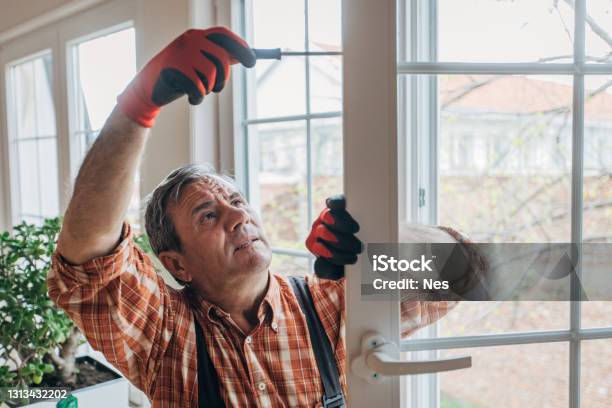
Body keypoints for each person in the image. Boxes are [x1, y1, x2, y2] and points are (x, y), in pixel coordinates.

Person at [47, 27, 462, 407]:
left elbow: (465, 273)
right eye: (208, 215)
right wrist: (137, 105)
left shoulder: (328, 306)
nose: (236, 216)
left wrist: (377, 241)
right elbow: (89, 259)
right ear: (177, 264)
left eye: (237, 200)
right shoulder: (167, 334)